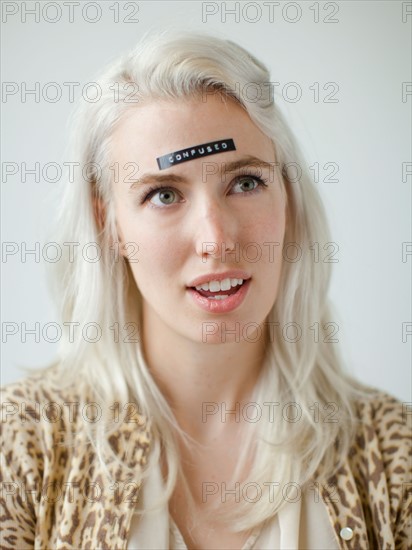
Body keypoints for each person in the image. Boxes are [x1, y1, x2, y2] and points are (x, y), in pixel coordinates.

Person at [1, 30, 410, 550]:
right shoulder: (22, 445)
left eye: (245, 183)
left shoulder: (394, 459)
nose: (216, 240)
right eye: (165, 194)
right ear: (111, 226)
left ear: (289, 197)